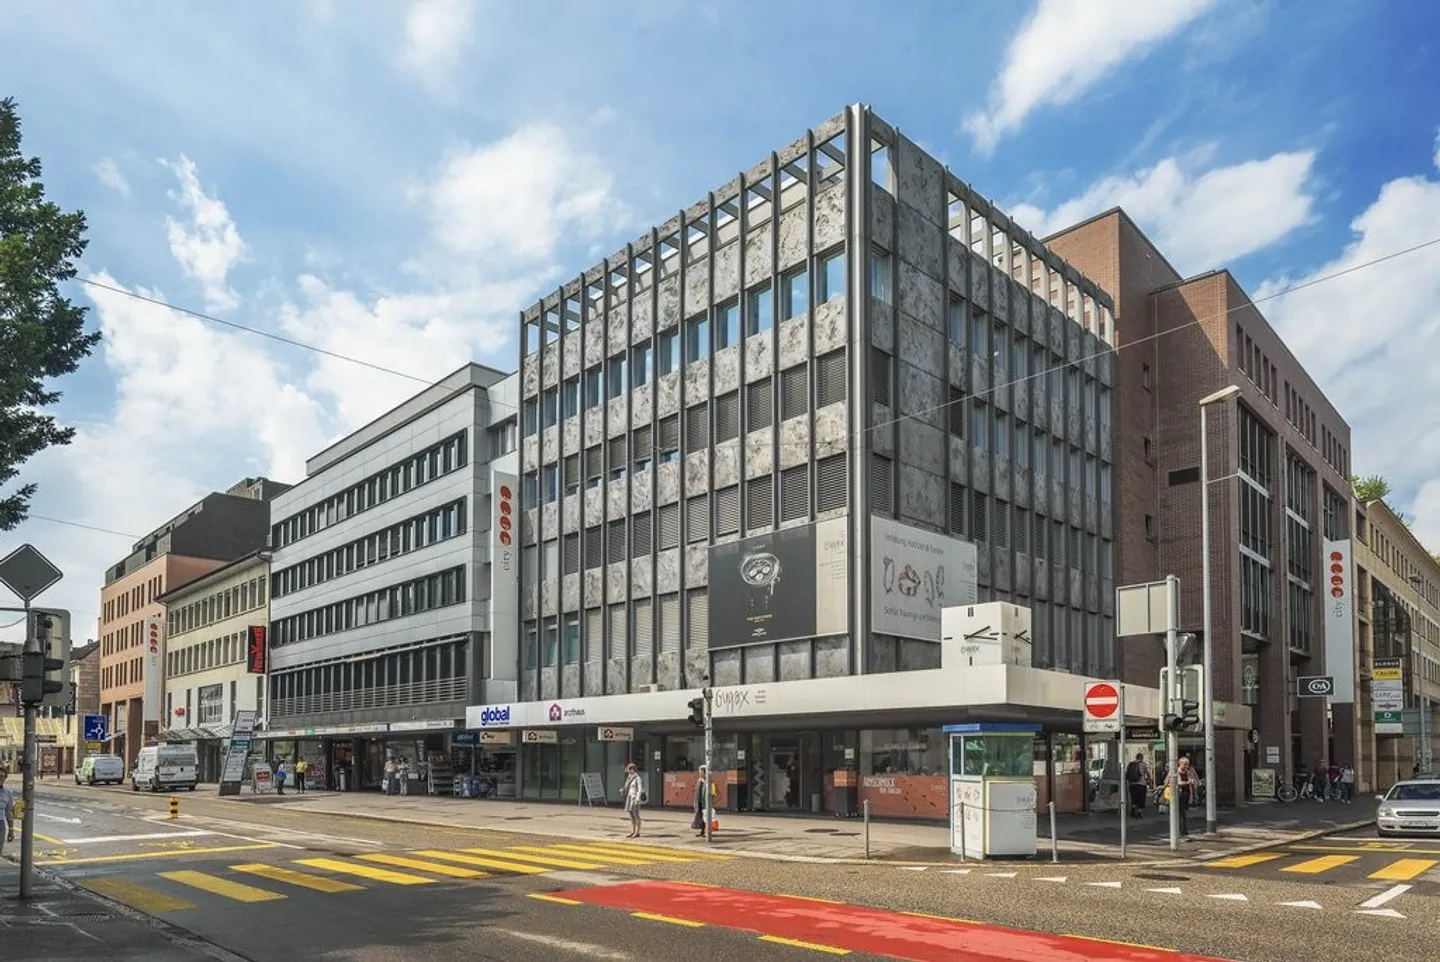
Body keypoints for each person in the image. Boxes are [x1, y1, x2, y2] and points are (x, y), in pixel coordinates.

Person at [1171, 757, 1199, 840]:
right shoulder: (1176, 772)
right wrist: (1187, 782)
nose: (1187, 766)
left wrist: (1194, 783)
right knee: (1181, 813)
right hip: (1178, 795)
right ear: (1181, 763)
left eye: (1188, 764)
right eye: (1185, 764)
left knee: (1182, 813)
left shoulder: (1188, 772)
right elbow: (1178, 783)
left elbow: (1194, 781)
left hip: (1186, 794)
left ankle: (1182, 831)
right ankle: (1182, 832)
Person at [621, 762, 645, 838]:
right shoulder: (628, 778)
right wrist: (622, 790)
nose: (627, 771)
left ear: (632, 770)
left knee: (636, 815)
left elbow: (640, 788)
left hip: (635, 798)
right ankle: (632, 831)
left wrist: (637, 798)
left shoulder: (637, 778)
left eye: (629, 769)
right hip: (629, 798)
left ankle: (637, 832)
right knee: (631, 816)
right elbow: (626, 787)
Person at [1124, 752, 1150, 818]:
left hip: (1132, 784)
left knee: (1134, 798)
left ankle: (1133, 809)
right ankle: (1138, 812)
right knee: (1141, 799)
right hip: (1141, 784)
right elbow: (1148, 774)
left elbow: (1127, 774)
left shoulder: (1131, 764)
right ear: (1141, 757)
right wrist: (1149, 782)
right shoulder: (1144, 764)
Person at [692, 765, 710, 837]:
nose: (700, 774)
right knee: (701, 817)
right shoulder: (699, 780)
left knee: (706, 817)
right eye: (700, 772)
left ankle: (706, 831)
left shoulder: (708, 781)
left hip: (705, 802)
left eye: (701, 772)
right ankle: (702, 831)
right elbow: (697, 792)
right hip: (699, 802)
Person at [0, 771, 15, 856]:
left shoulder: (7, 794)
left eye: (3, 777)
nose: (1, 778)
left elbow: (8, 812)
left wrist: (11, 830)